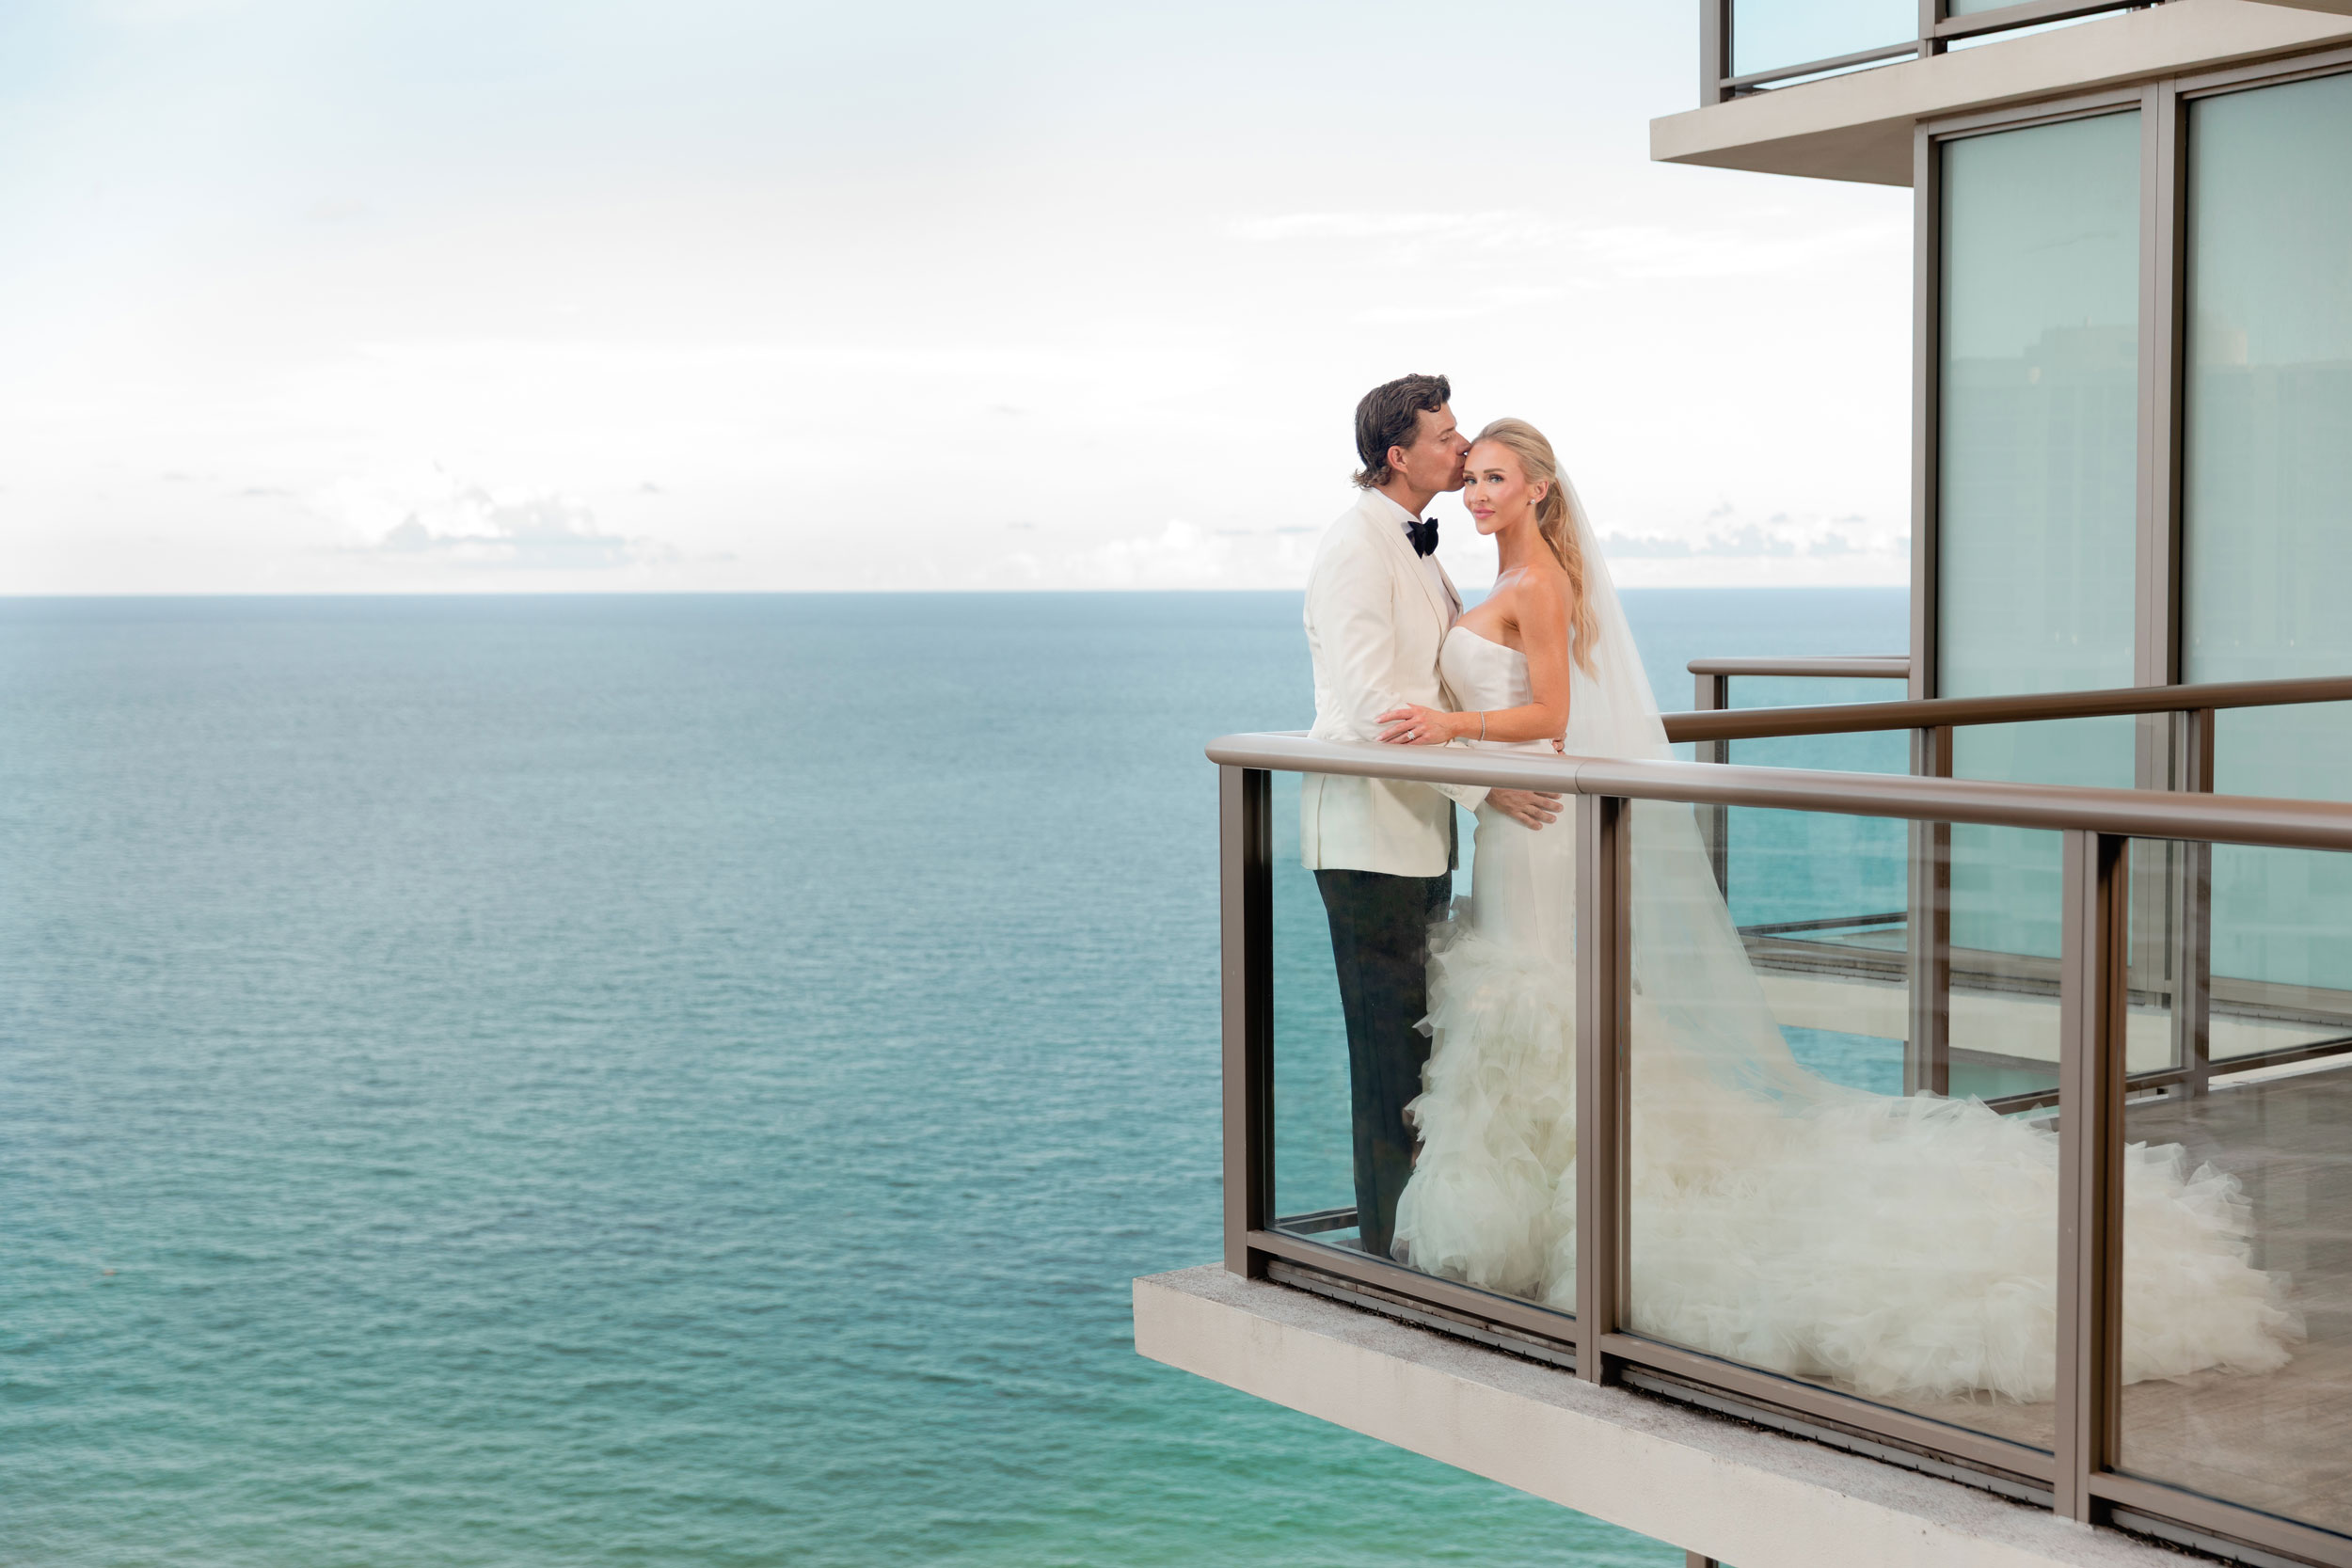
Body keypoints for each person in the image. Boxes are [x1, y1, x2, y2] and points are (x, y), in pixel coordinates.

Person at [1373, 418, 2299, 1404]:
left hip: (1542, 824)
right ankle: (1538, 1217)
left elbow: (1549, 718)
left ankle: (1580, 1215)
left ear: (1540, 490)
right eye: (1469, 478)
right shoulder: (1497, 585)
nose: (1475, 494)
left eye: (1494, 478)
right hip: (1513, 821)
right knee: (1531, 1004)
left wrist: (1450, 724)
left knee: (1544, 997)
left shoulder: (1539, 587)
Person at [1299, 374, 1561, 1261]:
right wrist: (1486, 785)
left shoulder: (1419, 547)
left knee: (1423, 1049)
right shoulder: (1355, 550)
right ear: (1397, 455)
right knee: (1386, 1060)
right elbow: (1379, 706)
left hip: (1423, 830)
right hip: (1368, 835)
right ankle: (1387, 1255)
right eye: (1447, 438)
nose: (1462, 448)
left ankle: (1425, 1238)